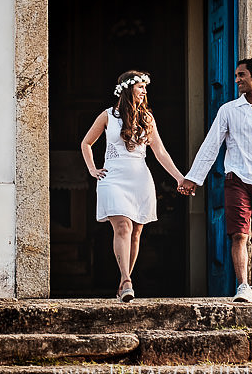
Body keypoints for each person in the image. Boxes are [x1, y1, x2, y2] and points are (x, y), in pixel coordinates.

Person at [179, 57, 252, 303]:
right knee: (238, 235)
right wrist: (193, 178)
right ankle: (242, 286)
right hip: (237, 179)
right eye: (236, 76)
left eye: (241, 75)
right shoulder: (229, 110)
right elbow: (211, 145)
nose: (237, 80)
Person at [81, 70, 189, 301]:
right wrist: (92, 168)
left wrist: (179, 178)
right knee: (122, 227)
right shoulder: (107, 116)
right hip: (113, 178)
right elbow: (86, 143)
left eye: (145, 87)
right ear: (128, 88)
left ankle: (123, 285)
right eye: (141, 86)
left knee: (136, 233)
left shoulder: (147, 118)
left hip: (140, 178)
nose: (144, 91)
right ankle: (126, 279)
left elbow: (159, 152)